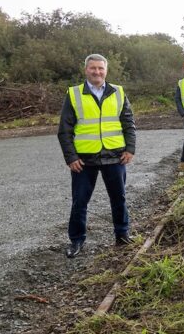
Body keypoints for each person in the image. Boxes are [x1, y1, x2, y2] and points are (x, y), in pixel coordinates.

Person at [57, 54, 136, 258]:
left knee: (119, 198)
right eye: (93, 68)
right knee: (79, 201)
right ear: (86, 70)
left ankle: (122, 234)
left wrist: (130, 149)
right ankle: (76, 240)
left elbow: (129, 123)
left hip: (114, 156)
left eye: (100, 68)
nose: (97, 72)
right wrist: (71, 157)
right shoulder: (74, 94)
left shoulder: (118, 92)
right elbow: (64, 130)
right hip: (84, 159)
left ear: (106, 71)